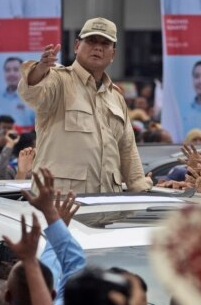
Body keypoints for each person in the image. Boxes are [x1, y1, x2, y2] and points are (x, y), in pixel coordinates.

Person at [18, 17, 152, 193]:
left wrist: (139, 186)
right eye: (91, 41)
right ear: (76, 46)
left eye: (105, 43)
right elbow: (31, 93)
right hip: (58, 203)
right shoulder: (59, 80)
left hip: (106, 206)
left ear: (113, 54)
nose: (98, 47)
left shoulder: (116, 97)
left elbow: (127, 149)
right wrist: (40, 69)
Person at [0, 57, 36, 129]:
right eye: (8, 70)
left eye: (16, 70)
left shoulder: (33, 97)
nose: (11, 73)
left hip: (26, 139)